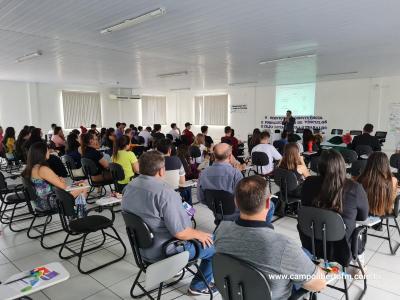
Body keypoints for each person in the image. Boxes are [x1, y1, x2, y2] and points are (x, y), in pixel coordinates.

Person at [215, 176, 326, 300]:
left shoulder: (221, 230)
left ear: (235, 202)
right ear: (269, 203)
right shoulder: (284, 246)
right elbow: (319, 284)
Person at [122, 151, 217, 295]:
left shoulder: (129, 187)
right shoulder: (165, 193)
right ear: (161, 171)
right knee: (215, 243)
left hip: (141, 250)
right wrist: (201, 234)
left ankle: (177, 271)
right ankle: (198, 286)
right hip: (164, 252)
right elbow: (181, 233)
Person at [301, 149, 369, 259]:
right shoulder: (355, 187)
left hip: (312, 242)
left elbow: (306, 206)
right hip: (341, 249)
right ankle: (358, 271)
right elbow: (363, 216)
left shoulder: (308, 182)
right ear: (342, 165)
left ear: (319, 166)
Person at [198, 143, 275, 224]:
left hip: (217, 212)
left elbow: (201, 199)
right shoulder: (235, 173)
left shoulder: (203, 173)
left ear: (214, 155)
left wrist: (215, 206)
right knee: (271, 205)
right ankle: (262, 229)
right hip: (236, 214)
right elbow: (244, 199)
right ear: (230, 156)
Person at [22, 142, 87, 211]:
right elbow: (63, 187)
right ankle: (79, 214)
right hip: (49, 203)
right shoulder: (42, 169)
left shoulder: (31, 168)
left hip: (39, 203)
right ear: (42, 152)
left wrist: (74, 184)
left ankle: (75, 213)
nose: (49, 151)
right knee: (83, 186)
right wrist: (62, 181)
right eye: (47, 149)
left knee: (79, 185)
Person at [357, 152, 398, 217]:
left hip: (365, 212)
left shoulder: (361, 179)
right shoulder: (393, 180)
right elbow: (392, 199)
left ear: (369, 163)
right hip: (384, 211)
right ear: (386, 164)